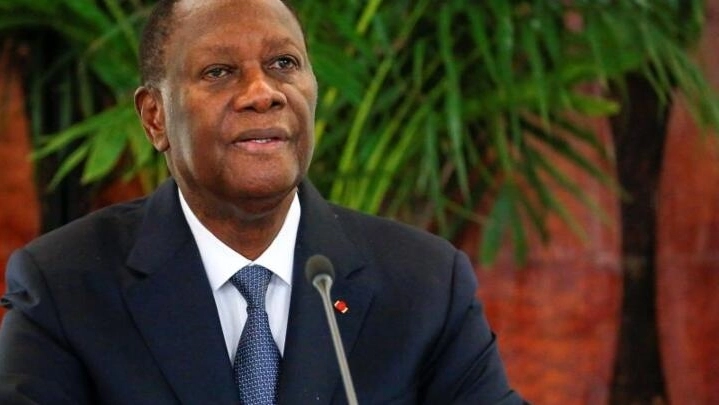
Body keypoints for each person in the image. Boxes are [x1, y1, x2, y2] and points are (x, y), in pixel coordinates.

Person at [0, 0, 525, 404]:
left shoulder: (425, 283)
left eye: (283, 63)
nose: (262, 92)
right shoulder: (64, 287)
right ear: (155, 117)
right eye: (219, 72)